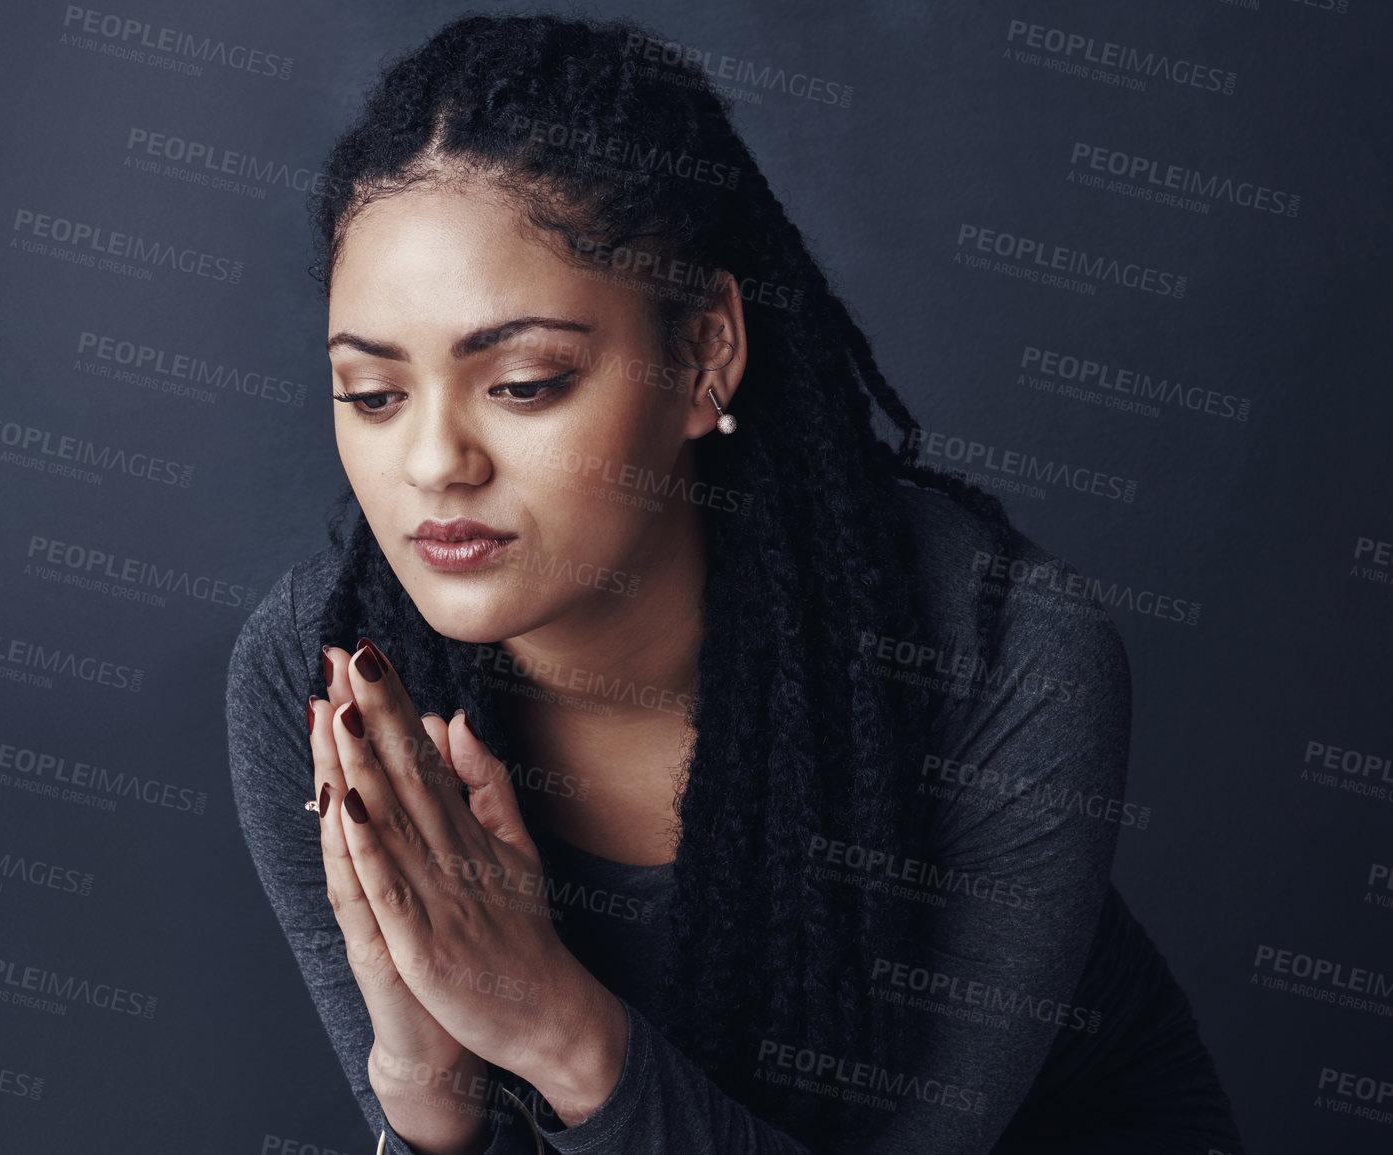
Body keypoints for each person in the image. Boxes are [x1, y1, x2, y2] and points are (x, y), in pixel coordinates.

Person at [227, 12, 1242, 1155]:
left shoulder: (1003, 664)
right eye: (371, 395)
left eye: (523, 382)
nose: (432, 464)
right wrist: (424, 1087)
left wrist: (559, 1030)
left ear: (705, 352)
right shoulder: (321, 682)